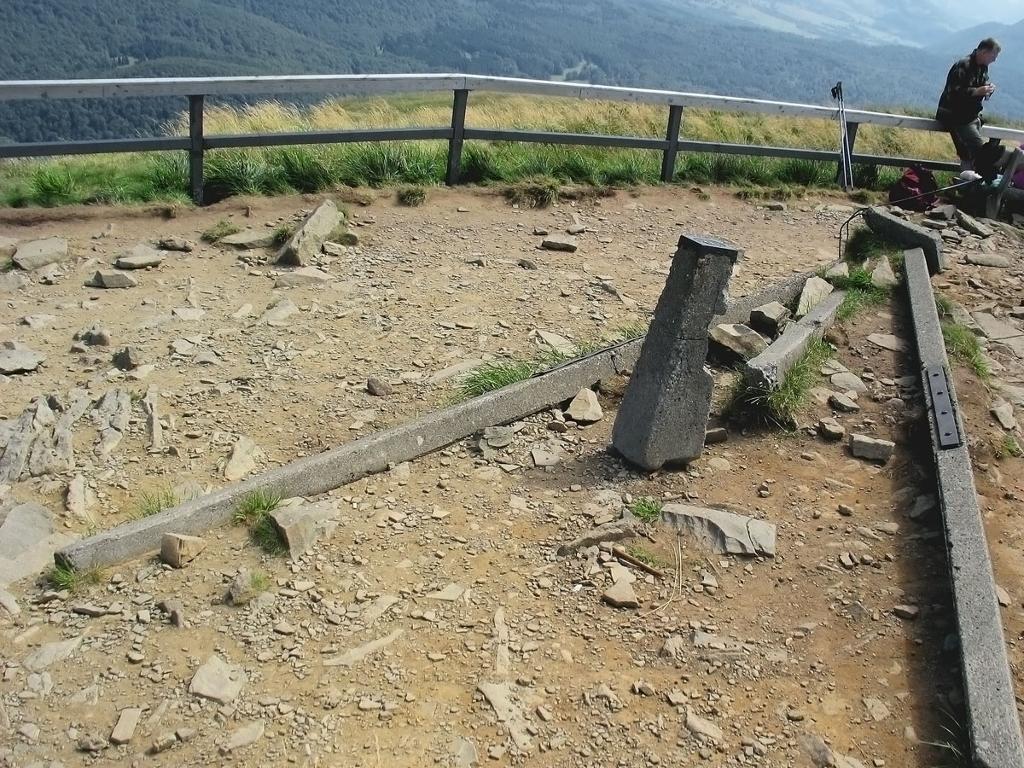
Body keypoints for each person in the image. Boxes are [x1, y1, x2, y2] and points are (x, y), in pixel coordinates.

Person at [936, 38, 1001, 181]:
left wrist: (987, 89)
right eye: (993, 56)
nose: (994, 60)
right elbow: (953, 92)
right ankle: (983, 182)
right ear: (984, 52)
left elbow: (979, 86)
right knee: (979, 150)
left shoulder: (982, 67)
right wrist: (977, 91)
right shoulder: (963, 65)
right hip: (955, 114)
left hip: (971, 115)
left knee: (968, 153)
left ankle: (970, 184)